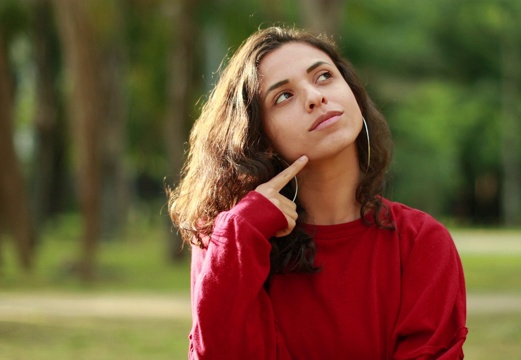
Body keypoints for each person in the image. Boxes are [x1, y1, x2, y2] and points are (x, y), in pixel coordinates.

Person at [167, 25, 468, 359]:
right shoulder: (230, 240)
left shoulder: (421, 244)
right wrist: (244, 229)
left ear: (352, 92)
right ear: (260, 140)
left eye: (324, 76)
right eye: (283, 96)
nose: (315, 97)